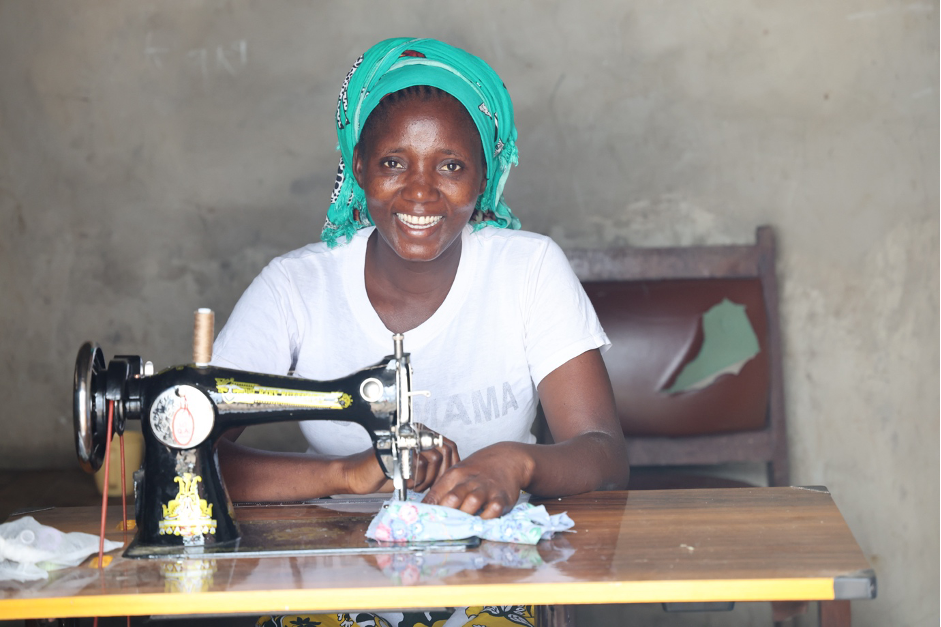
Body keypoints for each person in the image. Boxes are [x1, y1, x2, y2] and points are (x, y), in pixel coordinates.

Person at [211, 37, 629, 627]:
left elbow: (604, 454)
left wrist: (514, 463)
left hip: (492, 571)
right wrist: (345, 473)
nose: (420, 192)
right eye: (393, 163)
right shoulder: (295, 289)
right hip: (331, 573)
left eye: (451, 166)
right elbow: (194, 456)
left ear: (486, 175)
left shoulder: (528, 270)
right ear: (357, 167)